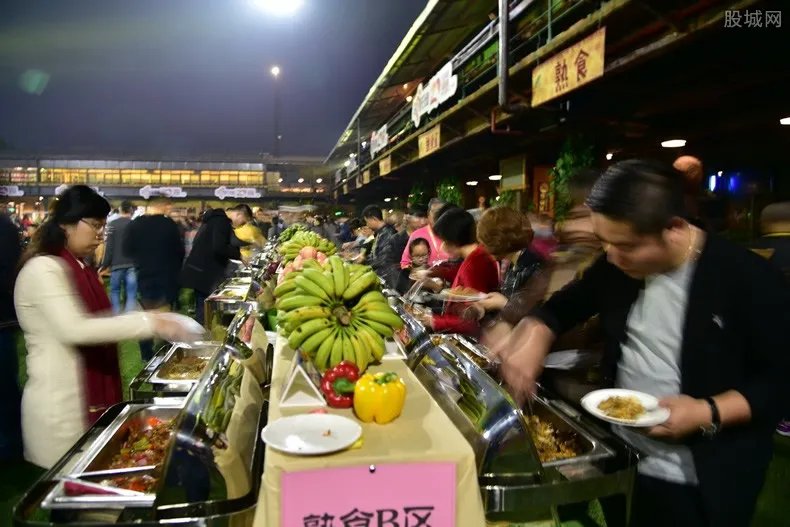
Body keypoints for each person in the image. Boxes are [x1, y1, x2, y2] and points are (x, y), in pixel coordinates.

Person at [493, 160, 790, 527]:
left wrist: (707, 412)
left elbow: (779, 380)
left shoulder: (747, 278)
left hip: (703, 474)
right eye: (604, 242)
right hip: (626, 456)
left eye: (625, 246)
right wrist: (536, 332)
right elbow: (565, 305)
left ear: (674, 228)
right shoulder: (618, 266)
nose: (611, 256)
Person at [14, 186, 194, 468]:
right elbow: (76, 329)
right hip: (63, 408)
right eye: (95, 225)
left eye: (103, 226)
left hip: (83, 402)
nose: (100, 235)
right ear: (66, 224)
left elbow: (102, 320)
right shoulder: (43, 269)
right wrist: (152, 322)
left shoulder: (80, 267)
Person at [415, 208, 499, 336]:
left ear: (453, 241)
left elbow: (470, 320)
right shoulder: (477, 254)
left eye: (444, 241)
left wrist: (434, 321)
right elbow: (460, 274)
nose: (442, 246)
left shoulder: (474, 264)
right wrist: (434, 272)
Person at [471, 207, 548, 338]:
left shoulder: (535, 265)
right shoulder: (513, 261)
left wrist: (502, 303)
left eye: (485, 243)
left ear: (499, 241)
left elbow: (536, 316)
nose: (483, 248)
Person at [124, 197, 185, 361]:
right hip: (167, 276)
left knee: (147, 314)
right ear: (162, 206)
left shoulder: (135, 224)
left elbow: (127, 249)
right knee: (166, 315)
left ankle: (146, 353)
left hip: (145, 276)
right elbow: (179, 252)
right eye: (168, 206)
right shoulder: (169, 225)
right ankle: (167, 352)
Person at [181, 207, 241, 326]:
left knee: (202, 308)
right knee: (206, 312)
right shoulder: (221, 222)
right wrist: (237, 254)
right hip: (208, 273)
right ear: (238, 214)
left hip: (199, 271)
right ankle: (203, 334)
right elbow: (219, 247)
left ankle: (201, 332)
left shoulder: (209, 222)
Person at [0, 212, 23, 461]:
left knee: (4, 386)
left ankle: (11, 443)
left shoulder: (4, 227)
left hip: (2, 322)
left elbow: (9, 272)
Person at [100, 200, 136, 314]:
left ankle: (116, 316)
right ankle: (129, 317)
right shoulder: (135, 224)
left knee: (115, 291)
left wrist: (105, 264)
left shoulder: (112, 225)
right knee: (131, 293)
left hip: (116, 264)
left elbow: (109, 246)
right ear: (131, 210)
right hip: (132, 264)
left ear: (120, 209)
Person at [401, 198, 451, 268]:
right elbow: (405, 263)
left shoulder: (453, 233)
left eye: (443, 213)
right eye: (436, 213)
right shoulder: (417, 235)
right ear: (428, 215)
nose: (439, 216)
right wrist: (417, 271)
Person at [362, 205, 399, 287]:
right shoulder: (380, 233)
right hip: (382, 275)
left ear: (374, 219)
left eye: (367, 222)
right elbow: (375, 254)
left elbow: (384, 259)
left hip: (389, 279)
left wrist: (365, 266)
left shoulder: (388, 233)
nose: (367, 225)